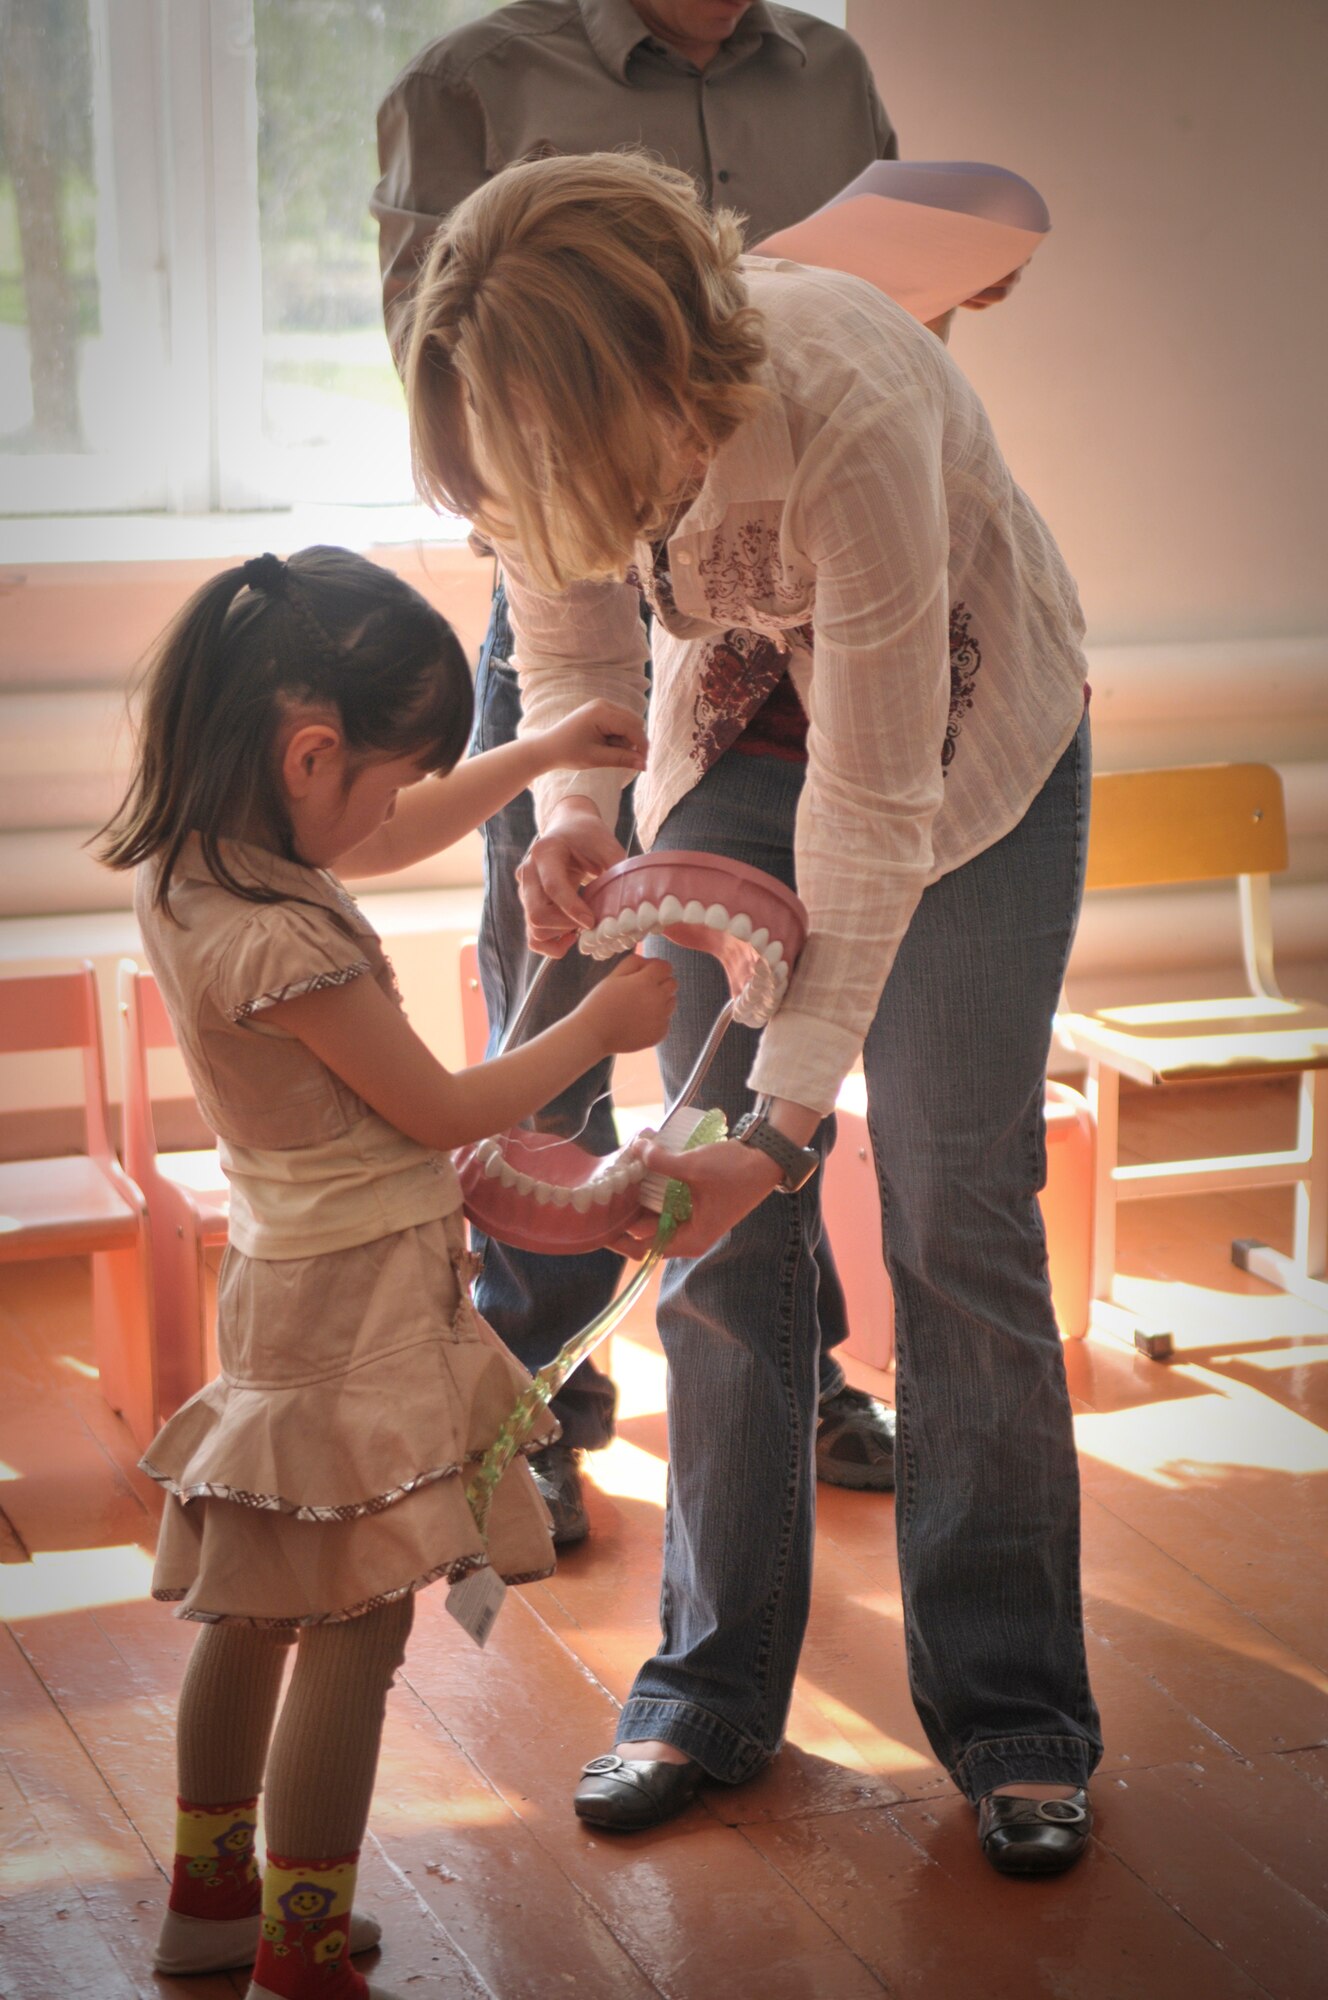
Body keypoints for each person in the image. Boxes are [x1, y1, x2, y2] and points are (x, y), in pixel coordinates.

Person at [403, 151, 1103, 1874]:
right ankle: (708, 1689)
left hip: (954, 754)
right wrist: (575, 816)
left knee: (958, 1217)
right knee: (698, 1227)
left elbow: (872, 814)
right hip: (729, 731)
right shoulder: (527, 405)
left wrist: (786, 1132)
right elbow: (562, 632)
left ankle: (1015, 1713)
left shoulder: (847, 396)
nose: (530, 497)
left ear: (653, 381)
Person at [97, 546, 675, 1998]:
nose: (396, 808)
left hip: (284, 1288)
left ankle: (211, 1904)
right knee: (358, 1610)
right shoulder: (295, 943)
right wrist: (601, 1027)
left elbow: (389, 827)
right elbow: (444, 1109)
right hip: (361, 1308)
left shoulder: (199, 875)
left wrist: (541, 752)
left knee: (253, 1597)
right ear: (309, 754)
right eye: (383, 773)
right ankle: (303, 1944)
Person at [373, 0, 914, 1539]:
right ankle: (533, 1387)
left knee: (730, 1054)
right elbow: (458, 373)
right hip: (582, 566)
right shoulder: (470, 84)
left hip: (797, 551)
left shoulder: (832, 71)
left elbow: (872, 332)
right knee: (562, 965)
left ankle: (789, 1366)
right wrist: (566, 792)